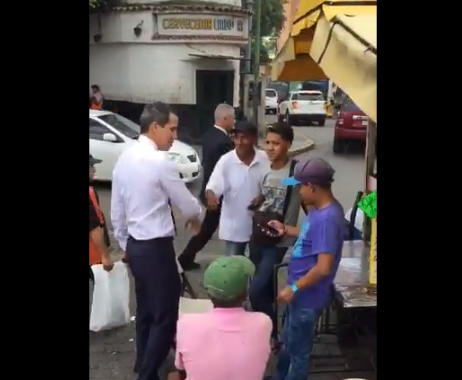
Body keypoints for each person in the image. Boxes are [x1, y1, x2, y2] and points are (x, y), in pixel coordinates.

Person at [111, 101, 202, 380]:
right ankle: (147, 373)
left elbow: (117, 210)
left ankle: (143, 362)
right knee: (165, 316)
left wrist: (125, 243)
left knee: (147, 311)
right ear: (154, 127)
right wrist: (195, 215)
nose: (174, 136)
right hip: (156, 248)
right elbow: (186, 202)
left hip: (137, 247)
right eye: (171, 129)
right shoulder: (160, 162)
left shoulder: (124, 158)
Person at [267, 158, 346, 380]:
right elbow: (310, 235)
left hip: (307, 298)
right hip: (301, 296)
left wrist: (293, 287)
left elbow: (323, 268)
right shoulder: (319, 212)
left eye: (300, 186)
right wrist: (286, 230)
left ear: (312, 186)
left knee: (299, 354)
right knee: (289, 344)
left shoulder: (328, 219)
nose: (299, 191)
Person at [248, 122, 306, 349]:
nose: (270, 148)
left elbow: (303, 196)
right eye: (268, 143)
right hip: (259, 235)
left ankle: (272, 334)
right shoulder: (264, 168)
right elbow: (266, 192)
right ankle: (265, 332)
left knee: (256, 290)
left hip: (279, 240)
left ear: (288, 145)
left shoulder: (296, 173)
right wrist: (258, 201)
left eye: (276, 143)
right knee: (264, 287)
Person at [175, 256, 272, 380]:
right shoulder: (263, 322)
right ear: (244, 294)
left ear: (208, 292)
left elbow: (181, 366)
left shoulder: (186, 323)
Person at [178, 103, 235, 270]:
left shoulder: (210, 135)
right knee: (207, 229)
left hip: (209, 189)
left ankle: (186, 257)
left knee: (209, 228)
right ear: (224, 118)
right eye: (233, 118)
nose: (234, 122)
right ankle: (185, 258)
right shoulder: (223, 142)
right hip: (215, 193)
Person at [205, 120, 270, 256]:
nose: (239, 142)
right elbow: (213, 186)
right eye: (236, 137)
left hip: (259, 226)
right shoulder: (226, 161)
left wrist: (262, 196)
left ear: (254, 139)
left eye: (244, 137)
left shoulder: (265, 159)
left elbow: (276, 184)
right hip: (234, 227)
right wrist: (211, 197)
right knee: (234, 269)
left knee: (256, 267)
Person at [89, 154, 113, 322]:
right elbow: (94, 228)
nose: (94, 169)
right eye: (91, 166)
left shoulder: (92, 191)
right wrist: (105, 255)